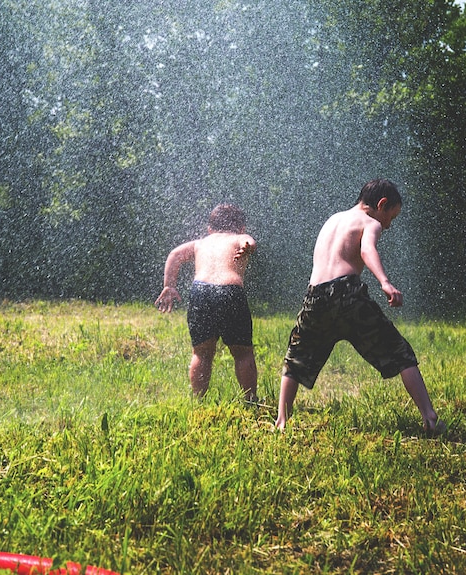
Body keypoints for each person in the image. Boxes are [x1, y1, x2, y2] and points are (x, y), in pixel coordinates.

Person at [275, 179, 445, 435]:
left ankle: (282, 422)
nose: (388, 225)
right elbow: (367, 250)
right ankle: (430, 418)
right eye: (391, 217)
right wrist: (385, 283)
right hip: (347, 294)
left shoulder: (333, 219)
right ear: (381, 204)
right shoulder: (370, 223)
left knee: (296, 358)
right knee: (400, 353)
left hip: (315, 297)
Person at [155, 204, 258, 401]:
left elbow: (175, 255)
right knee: (242, 352)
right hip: (230, 292)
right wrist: (247, 248)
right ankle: (250, 399)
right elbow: (250, 241)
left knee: (201, 352)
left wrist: (169, 285)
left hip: (200, 292)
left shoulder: (201, 242)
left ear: (210, 228)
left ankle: (198, 399)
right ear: (242, 227)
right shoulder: (238, 238)